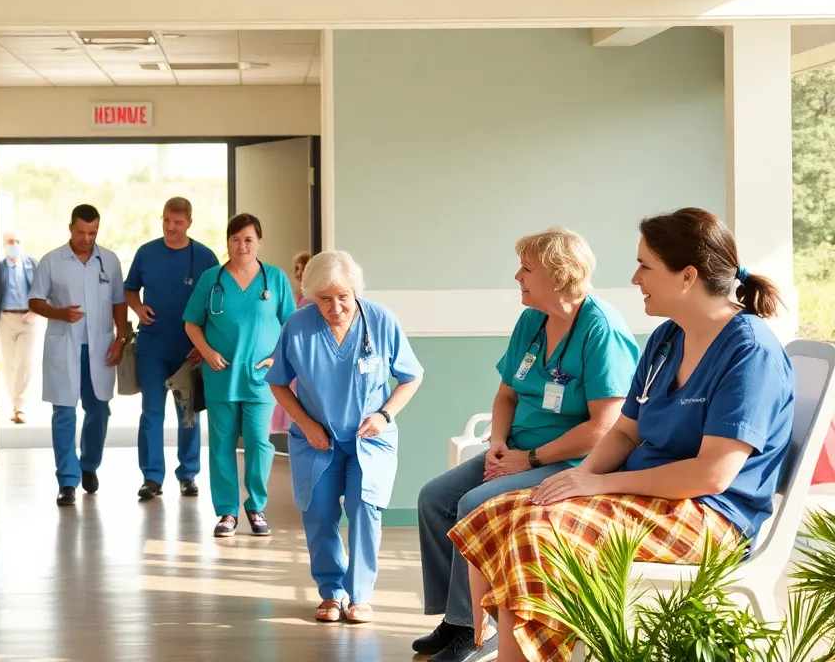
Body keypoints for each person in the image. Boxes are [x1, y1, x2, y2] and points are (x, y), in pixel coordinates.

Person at [450, 208, 796, 662]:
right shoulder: (667, 339)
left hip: (709, 516)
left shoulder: (749, 351)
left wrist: (598, 482)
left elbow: (711, 476)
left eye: (645, 266)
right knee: (494, 514)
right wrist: (578, 478)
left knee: (538, 529)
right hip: (647, 498)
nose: (635, 279)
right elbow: (625, 432)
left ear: (687, 276)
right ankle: (507, 648)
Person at [413, 227, 639, 662]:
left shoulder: (601, 328)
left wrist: (529, 459)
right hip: (516, 451)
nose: (517, 276)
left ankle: (477, 629)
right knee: (434, 497)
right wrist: (498, 443)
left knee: (474, 504)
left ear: (559, 275)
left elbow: (605, 426)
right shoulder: (532, 320)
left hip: (572, 461)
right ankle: (456, 618)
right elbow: (506, 395)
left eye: (527, 268)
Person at [266, 251, 423, 624]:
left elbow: (412, 376)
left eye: (343, 297)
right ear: (311, 296)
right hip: (317, 439)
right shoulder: (298, 326)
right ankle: (331, 591)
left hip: (370, 439)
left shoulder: (381, 321)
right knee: (319, 514)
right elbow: (278, 383)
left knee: (364, 509)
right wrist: (306, 424)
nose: (335, 307)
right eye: (325, 299)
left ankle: (360, 595)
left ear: (356, 291)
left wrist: (385, 415)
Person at [184, 213, 296, 537]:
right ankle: (227, 513)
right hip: (221, 376)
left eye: (248, 239)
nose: (242, 245)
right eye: (235, 239)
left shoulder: (274, 279)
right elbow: (192, 322)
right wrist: (207, 351)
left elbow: (291, 325)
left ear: (259, 242)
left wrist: (276, 358)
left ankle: (256, 506)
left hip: (261, 379)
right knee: (221, 445)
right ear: (227, 242)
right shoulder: (211, 279)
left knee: (260, 444)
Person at [29, 204, 128, 507]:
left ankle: (89, 465)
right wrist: (59, 312)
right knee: (64, 412)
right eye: (81, 232)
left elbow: (119, 302)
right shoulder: (52, 261)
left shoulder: (109, 260)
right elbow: (34, 300)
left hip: (100, 348)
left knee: (99, 410)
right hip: (65, 347)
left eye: (92, 233)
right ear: (70, 228)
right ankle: (67, 481)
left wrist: (121, 339)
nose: (86, 239)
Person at [125, 197, 220, 500]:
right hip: (152, 348)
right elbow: (130, 289)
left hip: (188, 352)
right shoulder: (146, 253)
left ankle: (188, 475)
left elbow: (217, 303)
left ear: (189, 222)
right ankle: (152, 478)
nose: (171, 227)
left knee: (188, 414)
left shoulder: (204, 257)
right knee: (151, 413)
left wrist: (204, 345)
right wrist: (138, 308)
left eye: (178, 222)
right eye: (166, 220)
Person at [0, 226, 41, 424]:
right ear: (4, 244)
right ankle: (13, 402)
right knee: (9, 363)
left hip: (28, 319)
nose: (14, 245)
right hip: (6, 318)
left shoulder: (32, 265)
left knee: (25, 362)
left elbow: (44, 289)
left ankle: (20, 407)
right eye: (10, 241)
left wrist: (37, 311)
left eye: (17, 241)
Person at [271, 249, 314, 435]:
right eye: (297, 268)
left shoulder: (315, 298)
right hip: (291, 350)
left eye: (304, 268)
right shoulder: (292, 296)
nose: (299, 273)